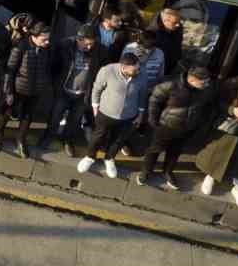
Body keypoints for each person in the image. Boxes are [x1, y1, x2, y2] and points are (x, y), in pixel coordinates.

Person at [192, 69, 238, 208]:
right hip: (228, 126)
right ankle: (211, 176)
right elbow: (219, 104)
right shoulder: (233, 88)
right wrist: (232, 110)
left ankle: (237, 188)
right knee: (219, 152)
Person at [138, 66, 218, 190]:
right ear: (192, 80)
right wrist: (153, 120)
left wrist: (199, 123)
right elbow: (154, 99)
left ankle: (167, 172)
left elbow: (208, 106)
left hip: (187, 128)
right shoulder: (171, 84)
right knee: (154, 149)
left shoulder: (205, 90)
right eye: (204, 82)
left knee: (175, 152)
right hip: (165, 126)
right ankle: (146, 171)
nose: (207, 84)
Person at [39, 24, 102, 156]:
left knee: (74, 121)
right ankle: (48, 136)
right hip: (64, 91)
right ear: (79, 39)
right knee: (55, 117)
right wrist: (54, 85)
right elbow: (53, 66)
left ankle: (68, 141)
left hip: (83, 94)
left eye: (92, 44)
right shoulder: (65, 46)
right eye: (87, 44)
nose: (90, 47)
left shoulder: (98, 51)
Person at [78, 51, 143, 179]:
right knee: (98, 136)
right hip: (106, 113)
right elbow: (97, 89)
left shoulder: (142, 75)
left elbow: (142, 95)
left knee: (118, 140)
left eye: (138, 68)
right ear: (123, 67)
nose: (138, 72)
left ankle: (109, 159)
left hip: (128, 116)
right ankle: (90, 157)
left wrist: (141, 113)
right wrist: (95, 107)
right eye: (134, 70)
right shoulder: (107, 71)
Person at [0, 21, 53, 158]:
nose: (47, 42)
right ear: (34, 36)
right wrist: (8, 91)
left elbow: (47, 68)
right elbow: (10, 70)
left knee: (28, 117)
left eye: (48, 39)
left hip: (36, 90)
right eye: (44, 39)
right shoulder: (21, 47)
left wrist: (44, 84)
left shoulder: (47, 50)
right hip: (18, 88)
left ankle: (20, 140)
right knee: (7, 113)